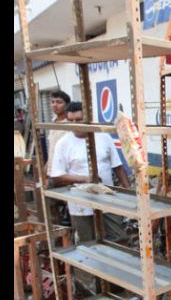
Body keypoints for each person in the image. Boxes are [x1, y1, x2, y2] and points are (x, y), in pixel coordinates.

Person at [49, 102, 130, 244]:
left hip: (107, 198)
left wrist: (129, 191)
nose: (75, 124)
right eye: (71, 121)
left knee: (118, 238)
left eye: (79, 120)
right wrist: (85, 179)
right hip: (80, 205)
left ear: (88, 118)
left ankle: (113, 265)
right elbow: (56, 176)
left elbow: (117, 166)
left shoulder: (103, 137)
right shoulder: (63, 143)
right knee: (88, 244)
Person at [45, 90, 70, 176]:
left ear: (67, 105)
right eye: (52, 102)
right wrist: (47, 168)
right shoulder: (53, 122)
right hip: (52, 171)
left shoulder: (70, 124)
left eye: (59, 102)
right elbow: (52, 149)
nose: (55, 105)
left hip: (66, 172)